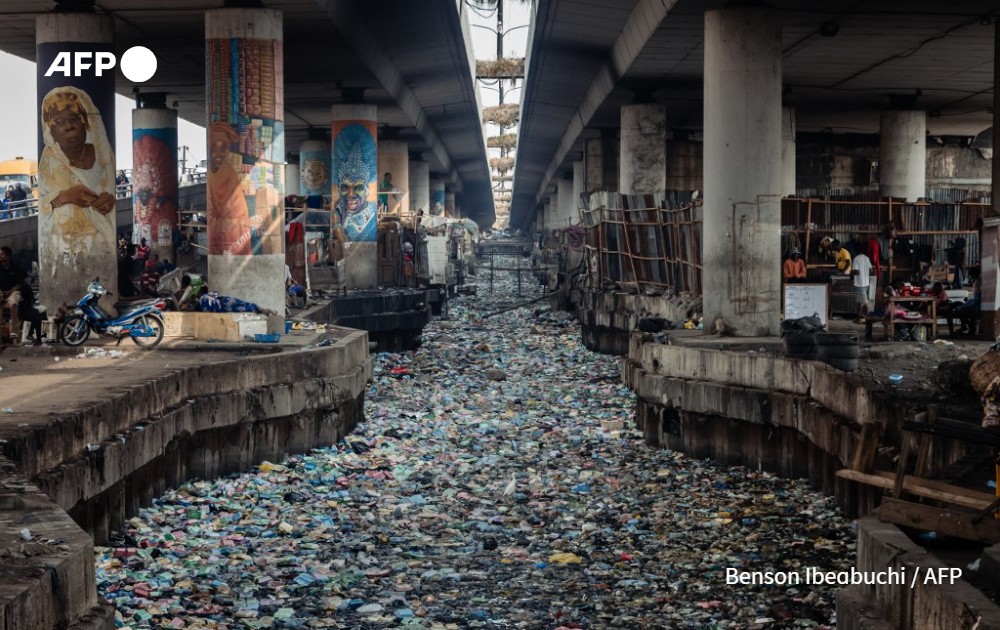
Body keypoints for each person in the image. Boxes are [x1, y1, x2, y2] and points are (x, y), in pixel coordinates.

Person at [38, 87, 116, 258]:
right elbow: (43, 206)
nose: (69, 127)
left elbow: (110, 191)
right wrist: (66, 196)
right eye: (59, 123)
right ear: (50, 131)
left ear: (85, 122)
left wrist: (109, 200)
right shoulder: (49, 162)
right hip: (66, 251)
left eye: (73, 118)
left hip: (103, 249)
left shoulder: (102, 153)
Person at [206, 122, 251, 255]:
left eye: (223, 148)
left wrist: (223, 224)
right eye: (214, 149)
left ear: (228, 151)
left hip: (235, 244)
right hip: (219, 245)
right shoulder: (211, 176)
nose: (218, 154)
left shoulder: (230, 174)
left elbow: (242, 217)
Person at [0, 246, 42, 345]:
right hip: (1, 292)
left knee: (14, 303)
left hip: (12, 292)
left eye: (2, 254)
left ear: (8, 256)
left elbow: (19, 284)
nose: (0, 256)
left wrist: (9, 291)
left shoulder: (15, 268)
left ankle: (14, 333)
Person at [197, 286, 276, 315]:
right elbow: (216, 293)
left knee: (244, 309)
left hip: (224, 309)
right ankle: (261, 309)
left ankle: (259, 310)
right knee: (244, 303)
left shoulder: (204, 310)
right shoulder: (205, 296)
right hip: (225, 300)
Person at [851, 248, 874, 323]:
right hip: (866, 282)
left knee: (864, 301)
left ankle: (868, 318)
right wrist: (865, 273)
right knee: (859, 300)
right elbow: (871, 270)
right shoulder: (867, 258)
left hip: (860, 283)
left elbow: (856, 271)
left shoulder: (856, 259)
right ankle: (858, 316)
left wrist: (851, 272)